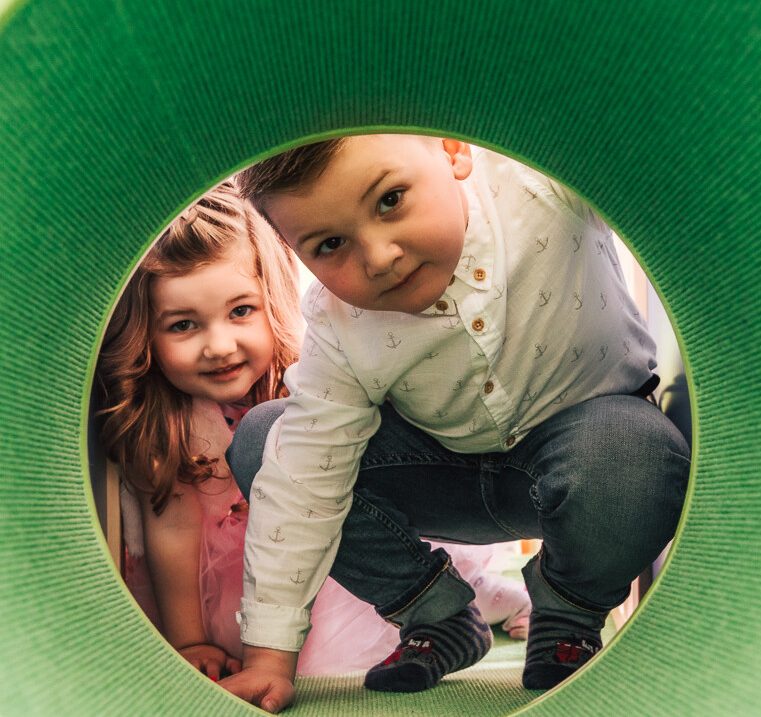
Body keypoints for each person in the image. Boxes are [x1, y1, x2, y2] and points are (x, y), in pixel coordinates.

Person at [219, 135, 690, 713]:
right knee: (267, 441)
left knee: (633, 447)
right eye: (330, 244)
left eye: (390, 199)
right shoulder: (338, 325)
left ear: (452, 149)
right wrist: (269, 657)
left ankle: (568, 613)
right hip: (442, 475)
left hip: (591, 456)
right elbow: (299, 484)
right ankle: (436, 618)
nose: (379, 256)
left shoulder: (542, 182)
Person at [96, 183, 531, 681]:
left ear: (272, 303)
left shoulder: (315, 380)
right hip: (237, 584)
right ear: (146, 334)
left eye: (241, 311)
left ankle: (506, 601)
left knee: (446, 594)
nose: (219, 346)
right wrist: (188, 639)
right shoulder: (166, 420)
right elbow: (172, 527)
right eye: (182, 325)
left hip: (331, 562)